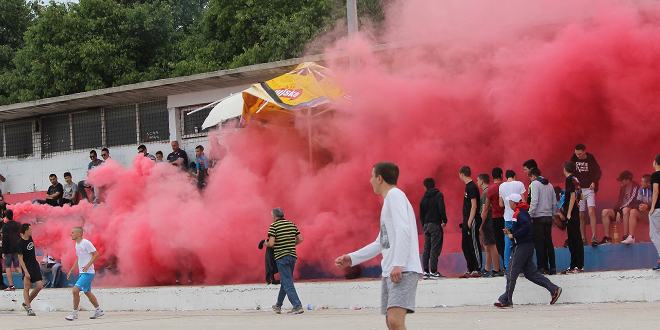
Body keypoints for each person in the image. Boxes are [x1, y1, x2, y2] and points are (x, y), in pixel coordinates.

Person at [335, 162, 422, 330]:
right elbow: (381, 243)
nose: (370, 180)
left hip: (401, 270)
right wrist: (351, 258)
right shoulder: (388, 202)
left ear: (379, 178)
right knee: (391, 322)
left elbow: (403, 229)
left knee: (395, 321)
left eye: (372, 176)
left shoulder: (394, 195)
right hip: (391, 271)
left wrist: (399, 263)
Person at [493, 193, 562, 308]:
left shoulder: (519, 213)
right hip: (527, 246)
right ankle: (553, 289)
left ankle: (506, 300)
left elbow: (526, 227)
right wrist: (510, 231)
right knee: (531, 274)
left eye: (510, 201)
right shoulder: (521, 212)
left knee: (511, 272)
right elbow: (524, 227)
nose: (508, 203)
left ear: (514, 203)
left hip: (522, 246)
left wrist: (513, 235)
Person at [265, 207, 304, 315]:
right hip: (292, 256)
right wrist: (291, 245)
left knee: (287, 282)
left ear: (273, 216)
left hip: (281, 257)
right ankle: (278, 305)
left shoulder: (274, 226)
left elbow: (271, 243)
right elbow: (300, 239)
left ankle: (297, 306)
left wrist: (265, 243)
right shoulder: (291, 224)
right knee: (285, 281)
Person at [65, 227, 104, 320]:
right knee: (87, 292)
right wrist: (71, 271)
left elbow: (96, 254)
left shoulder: (86, 243)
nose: (71, 234)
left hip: (88, 272)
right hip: (82, 272)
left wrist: (88, 265)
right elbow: (78, 258)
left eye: (73, 233)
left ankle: (74, 313)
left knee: (75, 290)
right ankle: (99, 309)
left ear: (78, 234)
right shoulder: (77, 245)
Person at [570, 144, 602, 247]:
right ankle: (583, 237)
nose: (577, 156)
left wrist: (594, 182)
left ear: (584, 151)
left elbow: (598, 171)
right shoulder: (574, 158)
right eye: (576, 153)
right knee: (581, 213)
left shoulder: (591, 158)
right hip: (580, 189)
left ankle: (594, 236)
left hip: (589, 188)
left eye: (579, 154)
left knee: (591, 211)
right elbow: (569, 170)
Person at [528, 168, 558, 275]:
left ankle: (541, 267)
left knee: (539, 242)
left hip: (538, 216)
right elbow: (554, 202)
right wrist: (553, 215)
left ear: (533, 176)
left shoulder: (535, 184)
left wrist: (530, 214)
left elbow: (534, 200)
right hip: (548, 216)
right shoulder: (549, 185)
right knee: (549, 242)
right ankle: (553, 267)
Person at [419, 177, 448, 279]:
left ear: (425, 187)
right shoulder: (438, 195)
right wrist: (444, 220)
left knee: (426, 248)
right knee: (435, 248)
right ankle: (434, 271)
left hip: (426, 225)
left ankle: (426, 271)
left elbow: (421, 214)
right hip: (435, 224)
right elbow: (441, 208)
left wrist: (424, 224)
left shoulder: (423, 198)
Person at [601, 170, 638, 245]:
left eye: (622, 180)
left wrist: (619, 211)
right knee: (605, 211)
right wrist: (617, 211)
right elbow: (619, 200)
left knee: (625, 210)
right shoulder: (622, 187)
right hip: (620, 210)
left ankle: (625, 236)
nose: (621, 182)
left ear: (627, 180)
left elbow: (631, 201)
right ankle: (607, 238)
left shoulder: (635, 186)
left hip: (628, 209)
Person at [458, 166, 482, 278]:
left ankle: (478, 268)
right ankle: (470, 268)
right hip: (466, 220)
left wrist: (470, 220)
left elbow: (474, 205)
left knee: (473, 243)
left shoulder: (472, 187)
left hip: (471, 220)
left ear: (462, 174)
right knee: (465, 245)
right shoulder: (468, 187)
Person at [499, 170, 527, 268]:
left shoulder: (501, 186)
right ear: (515, 176)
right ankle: (521, 265)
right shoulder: (519, 184)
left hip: (507, 218)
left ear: (506, 177)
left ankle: (507, 266)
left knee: (507, 242)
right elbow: (523, 201)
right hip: (518, 217)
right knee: (520, 241)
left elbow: (501, 204)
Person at [562, 161, 584, 274]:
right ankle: (574, 265)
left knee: (574, 238)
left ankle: (577, 265)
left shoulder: (569, 179)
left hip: (572, 211)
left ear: (565, 169)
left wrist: (569, 212)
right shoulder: (576, 179)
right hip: (576, 209)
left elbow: (572, 196)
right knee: (573, 238)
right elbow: (581, 195)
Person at [17, 223, 43, 316]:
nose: (31, 231)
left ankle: (26, 302)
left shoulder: (30, 239)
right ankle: (29, 308)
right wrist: (26, 271)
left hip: (34, 263)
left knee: (39, 285)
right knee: (27, 287)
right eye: (30, 230)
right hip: (26, 265)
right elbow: (20, 258)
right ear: (26, 231)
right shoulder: (20, 242)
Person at [478, 173, 501, 277]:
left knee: (491, 245)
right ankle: (487, 268)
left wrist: (481, 224)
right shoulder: (487, 192)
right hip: (489, 221)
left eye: (478, 180)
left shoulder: (485, 193)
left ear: (482, 181)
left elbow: (485, 210)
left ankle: (496, 269)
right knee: (487, 246)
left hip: (488, 221)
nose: (477, 183)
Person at [485, 167, 506, 271]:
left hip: (496, 218)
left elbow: (486, 207)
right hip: (507, 218)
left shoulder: (491, 189)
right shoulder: (506, 186)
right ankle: (509, 264)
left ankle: (504, 264)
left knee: (499, 242)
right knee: (509, 240)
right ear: (502, 175)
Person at [625, 174, 653, 244]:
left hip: (655, 215)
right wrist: (641, 206)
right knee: (633, 211)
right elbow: (636, 203)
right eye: (641, 181)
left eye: (643, 182)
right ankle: (631, 237)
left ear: (649, 183)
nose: (641, 183)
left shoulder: (655, 189)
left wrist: (647, 206)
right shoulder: (640, 190)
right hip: (646, 215)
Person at [2, 209, 22, 291]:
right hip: (17, 248)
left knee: (7, 267)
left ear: (6, 216)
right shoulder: (18, 224)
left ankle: (11, 285)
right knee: (17, 266)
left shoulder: (5, 226)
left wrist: (2, 251)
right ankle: (28, 277)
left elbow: (5, 240)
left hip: (8, 249)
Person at [649, 155, 660, 270]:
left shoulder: (655, 175)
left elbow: (655, 190)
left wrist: (652, 207)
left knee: (654, 235)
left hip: (658, 209)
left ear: (656, 162)